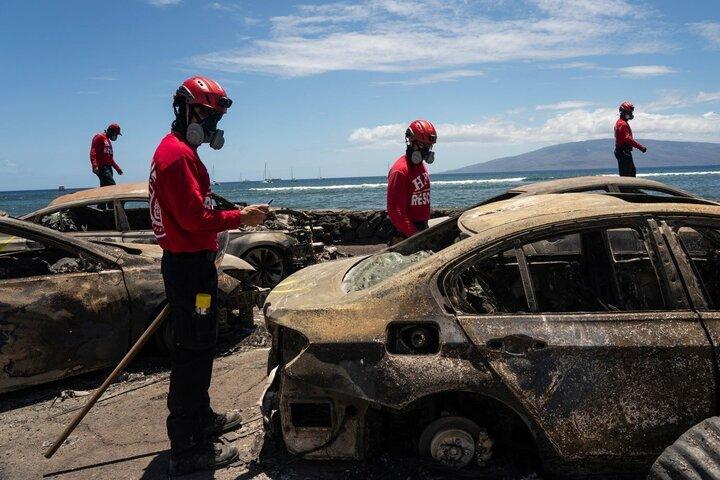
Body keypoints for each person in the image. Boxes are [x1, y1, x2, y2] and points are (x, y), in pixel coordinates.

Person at [148, 76, 269, 476]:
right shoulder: (177, 156)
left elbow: (196, 205)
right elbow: (194, 218)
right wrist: (241, 217)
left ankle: (201, 418)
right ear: (185, 112)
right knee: (191, 354)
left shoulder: (180, 152)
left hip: (193, 269)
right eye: (208, 116)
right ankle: (187, 448)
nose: (213, 126)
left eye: (216, 118)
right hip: (187, 270)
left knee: (200, 346)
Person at [387, 119, 437, 245]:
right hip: (405, 235)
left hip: (421, 228)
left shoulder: (420, 166)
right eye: (422, 144)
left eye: (428, 146)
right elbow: (395, 211)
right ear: (411, 141)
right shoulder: (399, 170)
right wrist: (415, 235)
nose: (426, 150)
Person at [614, 102, 647, 177]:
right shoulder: (622, 124)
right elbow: (627, 138)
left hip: (624, 151)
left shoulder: (622, 123)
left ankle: (630, 189)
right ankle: (626, 189)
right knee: (627, 176)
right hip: (623, 152)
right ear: (622, 112)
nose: (630, 114)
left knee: (631, 172)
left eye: (630, 112)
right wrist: (640, 147)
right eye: (628, 112)